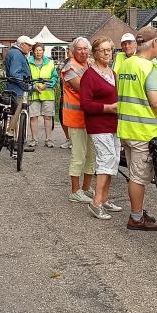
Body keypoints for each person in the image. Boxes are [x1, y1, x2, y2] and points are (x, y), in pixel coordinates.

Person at [117, 26, 157, 231]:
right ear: (154, 43)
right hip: (144, 132)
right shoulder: (149, 68)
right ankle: (136, 218)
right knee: (139, 177)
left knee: (134, 173)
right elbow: (156, 103)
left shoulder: (127, 64)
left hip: (127, 129)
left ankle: (138, 211)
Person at [80, 36, 122, 219]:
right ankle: (96, 202)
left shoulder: (112, 73)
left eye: (109, 50)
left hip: (114, 124)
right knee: (106, 160)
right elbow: (85, 104)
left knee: (113, 160)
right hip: (98, 125)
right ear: (94, 53)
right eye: (102, 50)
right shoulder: (89, 75)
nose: (107, 53)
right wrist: (108, 108)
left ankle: (104, 198)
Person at [62, 37, 96, 203]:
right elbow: (85, 89)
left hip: (90, 116)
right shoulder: (70, 68)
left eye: (85, 48)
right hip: (76, 118)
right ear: (73, 51)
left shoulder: (89, 64)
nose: (83, 51)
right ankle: (75, 191)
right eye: (80, 49)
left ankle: (86, 188)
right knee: (78, 155)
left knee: (92, 154)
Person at [4, 35, 34, 157]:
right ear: (22, 45)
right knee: (18, 117)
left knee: (15, 117)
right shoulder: (17, 54)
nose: (31, 48)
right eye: (29, 45)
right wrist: (26, 86)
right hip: (18, 91)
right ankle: (16, 143)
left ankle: (15, 145)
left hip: (15, 89)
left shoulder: (15, 52)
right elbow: (14, 73)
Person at [27, 42, 58, 148]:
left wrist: (46, 85)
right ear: (33, 51)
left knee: (48, 117)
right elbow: (26, 77)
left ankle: (48, 139)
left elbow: (54, 77)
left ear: (43, 51)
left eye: (40, 50)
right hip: (33, 93)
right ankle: (34, 139)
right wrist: (34, 86)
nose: (38, 52)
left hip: (48, 93)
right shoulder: (28, 62)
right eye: (36, 50)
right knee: (33, 117)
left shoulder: (50, 63)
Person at [58, 48, 72, 149]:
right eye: (67, 51)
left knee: (72, 118)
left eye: (69, 50)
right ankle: (68, 138)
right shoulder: (66, 63)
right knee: (62, 117)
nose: (67, 53)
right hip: (63, 94)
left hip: (73, 96)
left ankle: (74, 140)